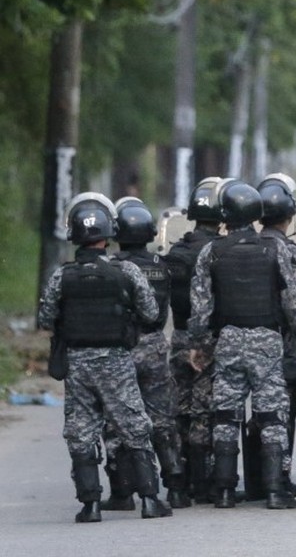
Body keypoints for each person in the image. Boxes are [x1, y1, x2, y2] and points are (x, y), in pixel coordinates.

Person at [37, 193, 171, 523]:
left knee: (81, 432)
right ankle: (151, 500)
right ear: (109, 234)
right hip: (117, 361)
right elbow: (151, 313)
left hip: (78, 364)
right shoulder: (125, 271)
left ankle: (91, 505)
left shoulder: (61, 276)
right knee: (134, 427)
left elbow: (45, 319)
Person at [188, 179, 296, 510]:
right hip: (267, 340)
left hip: (228, 340)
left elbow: (201, 308)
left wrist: (199, 344)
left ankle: (224, 490)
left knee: (225, 415)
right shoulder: (276, 248)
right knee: (271, 416)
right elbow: (294, 303)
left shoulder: (211, 252)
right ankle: (273, 491)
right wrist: (295, 333)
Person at [100, 197, 189, 512]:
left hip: (120, 351)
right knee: (162, 419)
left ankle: (122, 491)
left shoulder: (110, 269)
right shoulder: (160, 267)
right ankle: (176, 488)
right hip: (153, 347)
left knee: (116, 420)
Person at [252, 172, 296, 504]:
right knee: (281, 413)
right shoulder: (286, 250)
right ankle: (279, 480)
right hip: (282, 342)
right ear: (290, 216)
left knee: (251, 415)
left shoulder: (245, 245)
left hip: (241, 340)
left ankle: (251, 480)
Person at [164, 176, 222, 503]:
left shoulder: (176, 251)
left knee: (179, 410)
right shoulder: (216, 252)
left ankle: (177, 483)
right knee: (205, 412)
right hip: (208, 341)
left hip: (181, 337)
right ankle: (203, 483)